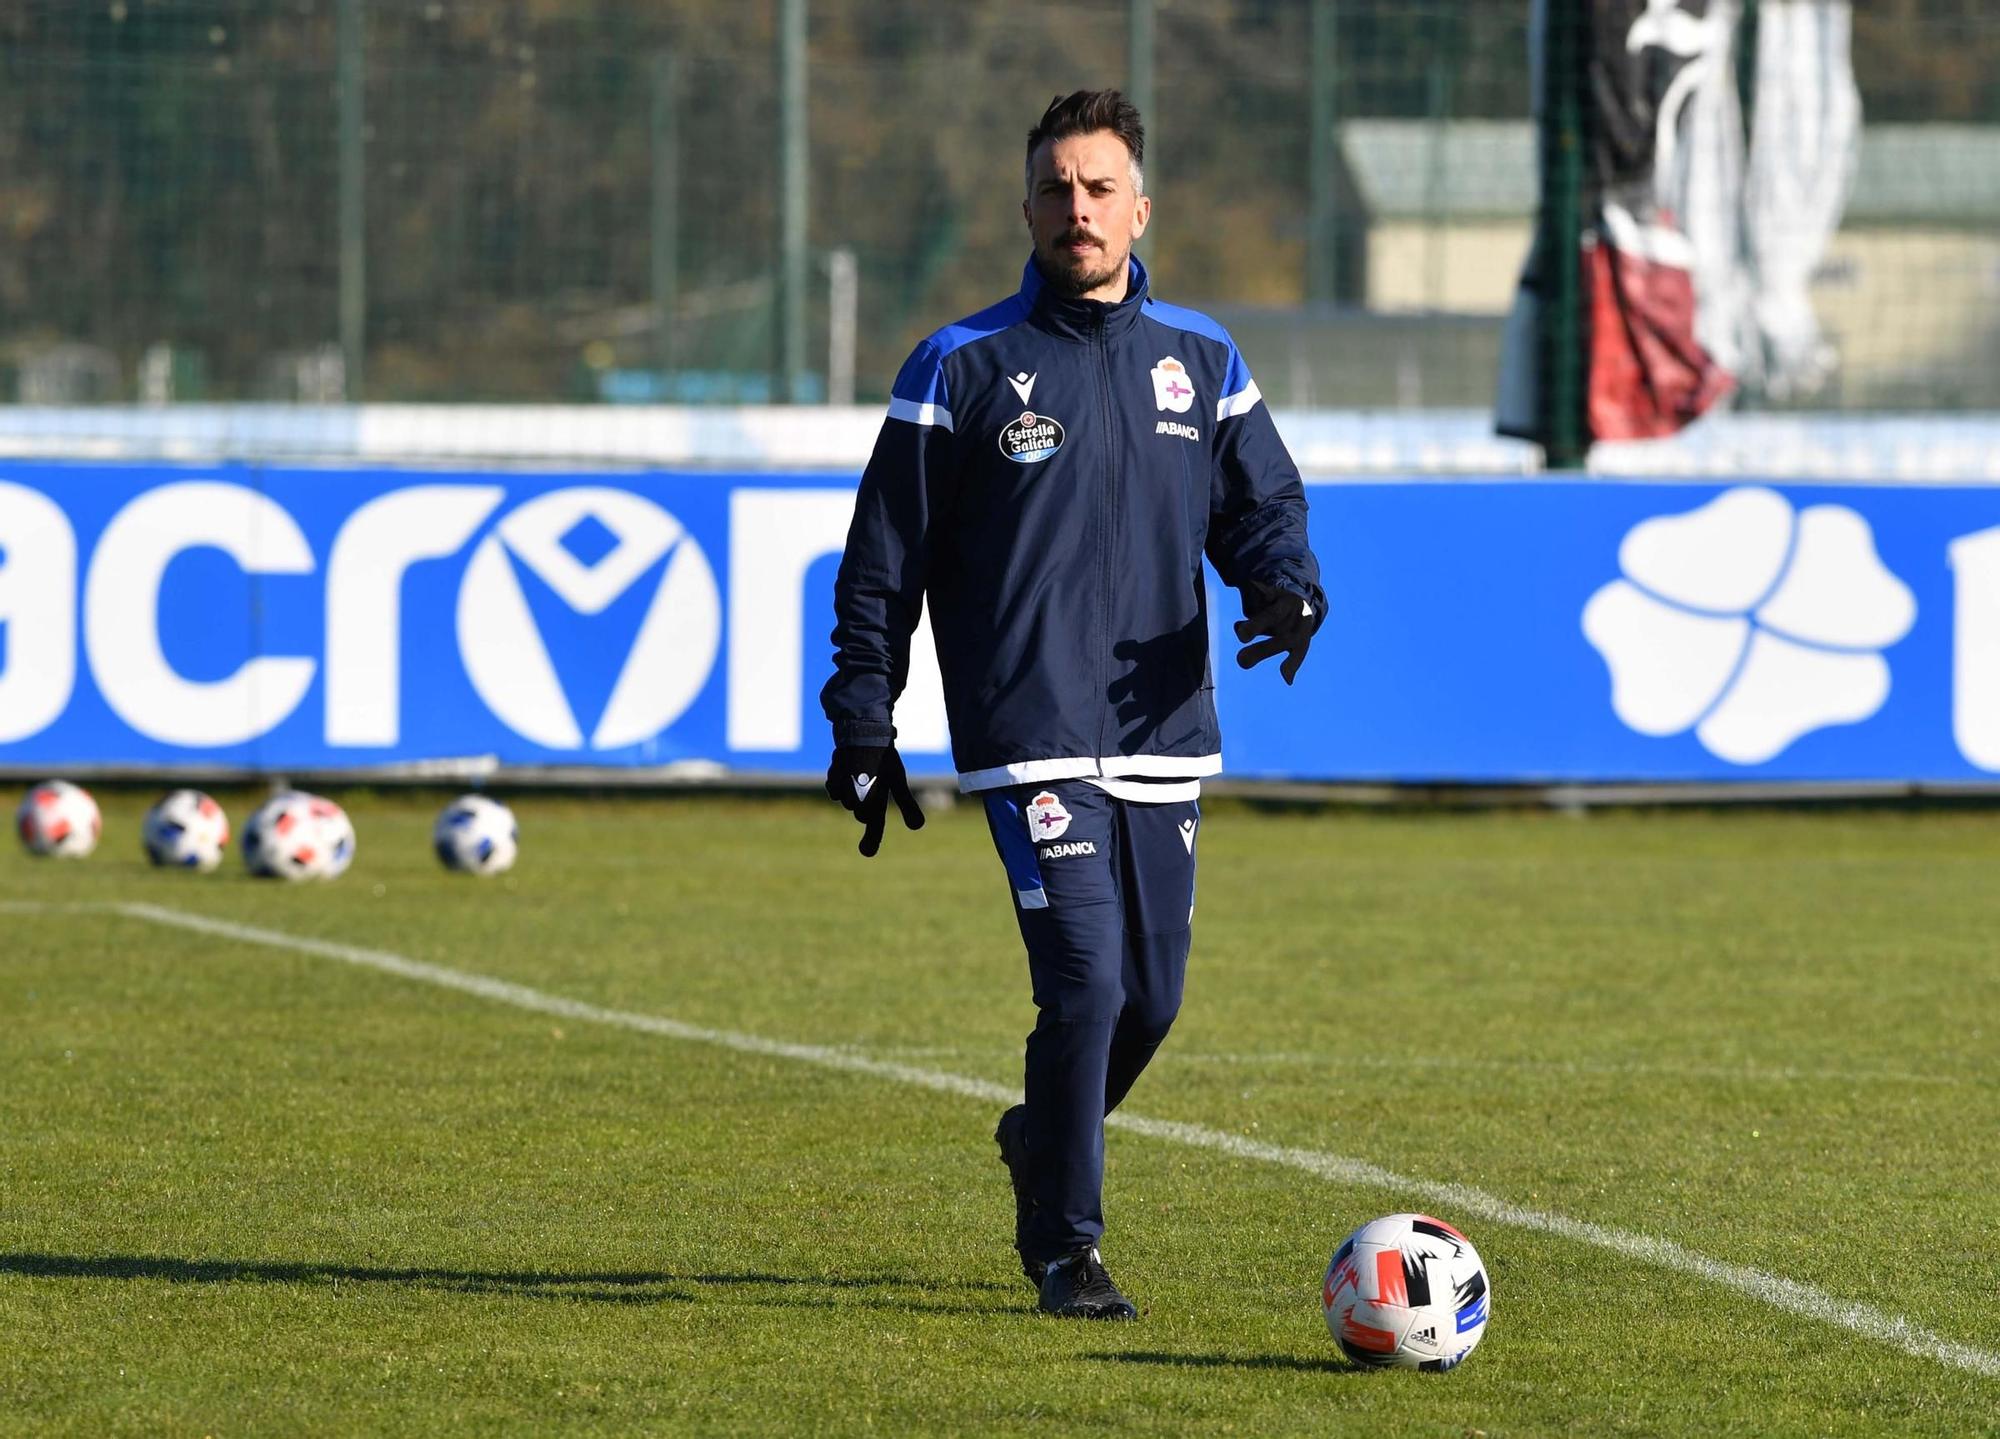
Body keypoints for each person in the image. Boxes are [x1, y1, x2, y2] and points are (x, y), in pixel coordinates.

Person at [821, 89, 1323, 1320]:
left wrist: (1286, 587)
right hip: (1028, 730)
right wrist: (863, 715)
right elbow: (884, 557)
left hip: (1162, 729)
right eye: (1054, 187)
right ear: (1026, 206)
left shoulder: (1200, 359)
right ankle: (1065, 1245)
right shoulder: (960, 364)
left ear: (1139, 207)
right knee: (1086, 985)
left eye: (1099, 188)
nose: (1076, 208)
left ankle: (1038, 1132)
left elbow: (1261, 505)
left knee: (1153, 998)